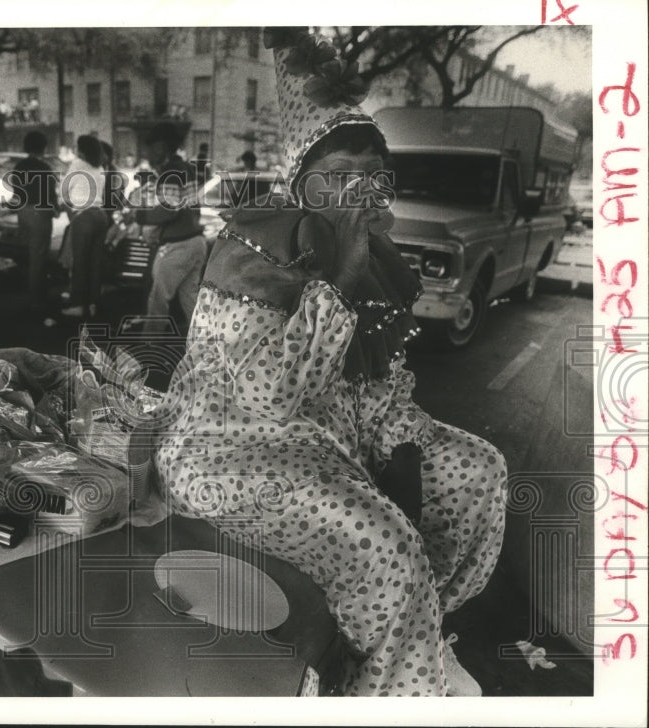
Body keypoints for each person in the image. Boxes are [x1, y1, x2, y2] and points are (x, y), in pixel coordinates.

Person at [151, 31, 507, 697]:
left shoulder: (376, 256)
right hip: (228, 451)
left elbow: (373, 383)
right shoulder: (253, 248)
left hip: (326, 438)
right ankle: (380, 683)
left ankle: (414, 635)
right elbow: (269, 399)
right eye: (342, 172)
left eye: (373, 174)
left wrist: (400, 429)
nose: (361, 188)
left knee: (478, 470)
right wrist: (339, 279)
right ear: (302, 178)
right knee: (388, 544)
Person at [132, 122, 207, 335]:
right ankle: (204, 343)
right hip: (196, 242)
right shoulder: (187, 168)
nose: (146, 153)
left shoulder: (171, 171)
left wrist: (138, 215)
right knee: (190, 298)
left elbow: (167, 211)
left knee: (158, 299)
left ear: (160, 147)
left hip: (178, 246)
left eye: (149, 147)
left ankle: (150, 345)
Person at [8, 131, 59, 313]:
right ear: (43, 147)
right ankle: (37, 299)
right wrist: (55, 209)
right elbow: (50, 194)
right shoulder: (45, 168)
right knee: (39, 256)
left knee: (29, 254)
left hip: (23, 212)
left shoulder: (19, 166)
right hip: (40, 213)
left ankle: (30, 293)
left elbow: (17, 193)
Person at [59, 135, 109, 318]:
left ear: (82, 150)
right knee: (95, 263)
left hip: (84, 216)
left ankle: (78, 305)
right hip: (100, 215)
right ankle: (93, 303)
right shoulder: (100, 167)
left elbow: (64, 191)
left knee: (80, 263)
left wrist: (67, 205)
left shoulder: (77, 164)